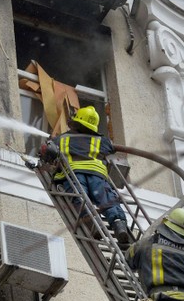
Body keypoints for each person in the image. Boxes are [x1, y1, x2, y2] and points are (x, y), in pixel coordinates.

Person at [41, 105, 131, 245]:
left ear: (76, 122)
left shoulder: (62, 139)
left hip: (75, 175)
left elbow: (48, 154)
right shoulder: (101, 141)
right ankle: (119, 226)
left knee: (80, 198)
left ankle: (93, 226)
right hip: (97, 176)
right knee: (107, 199)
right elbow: (110, 148)